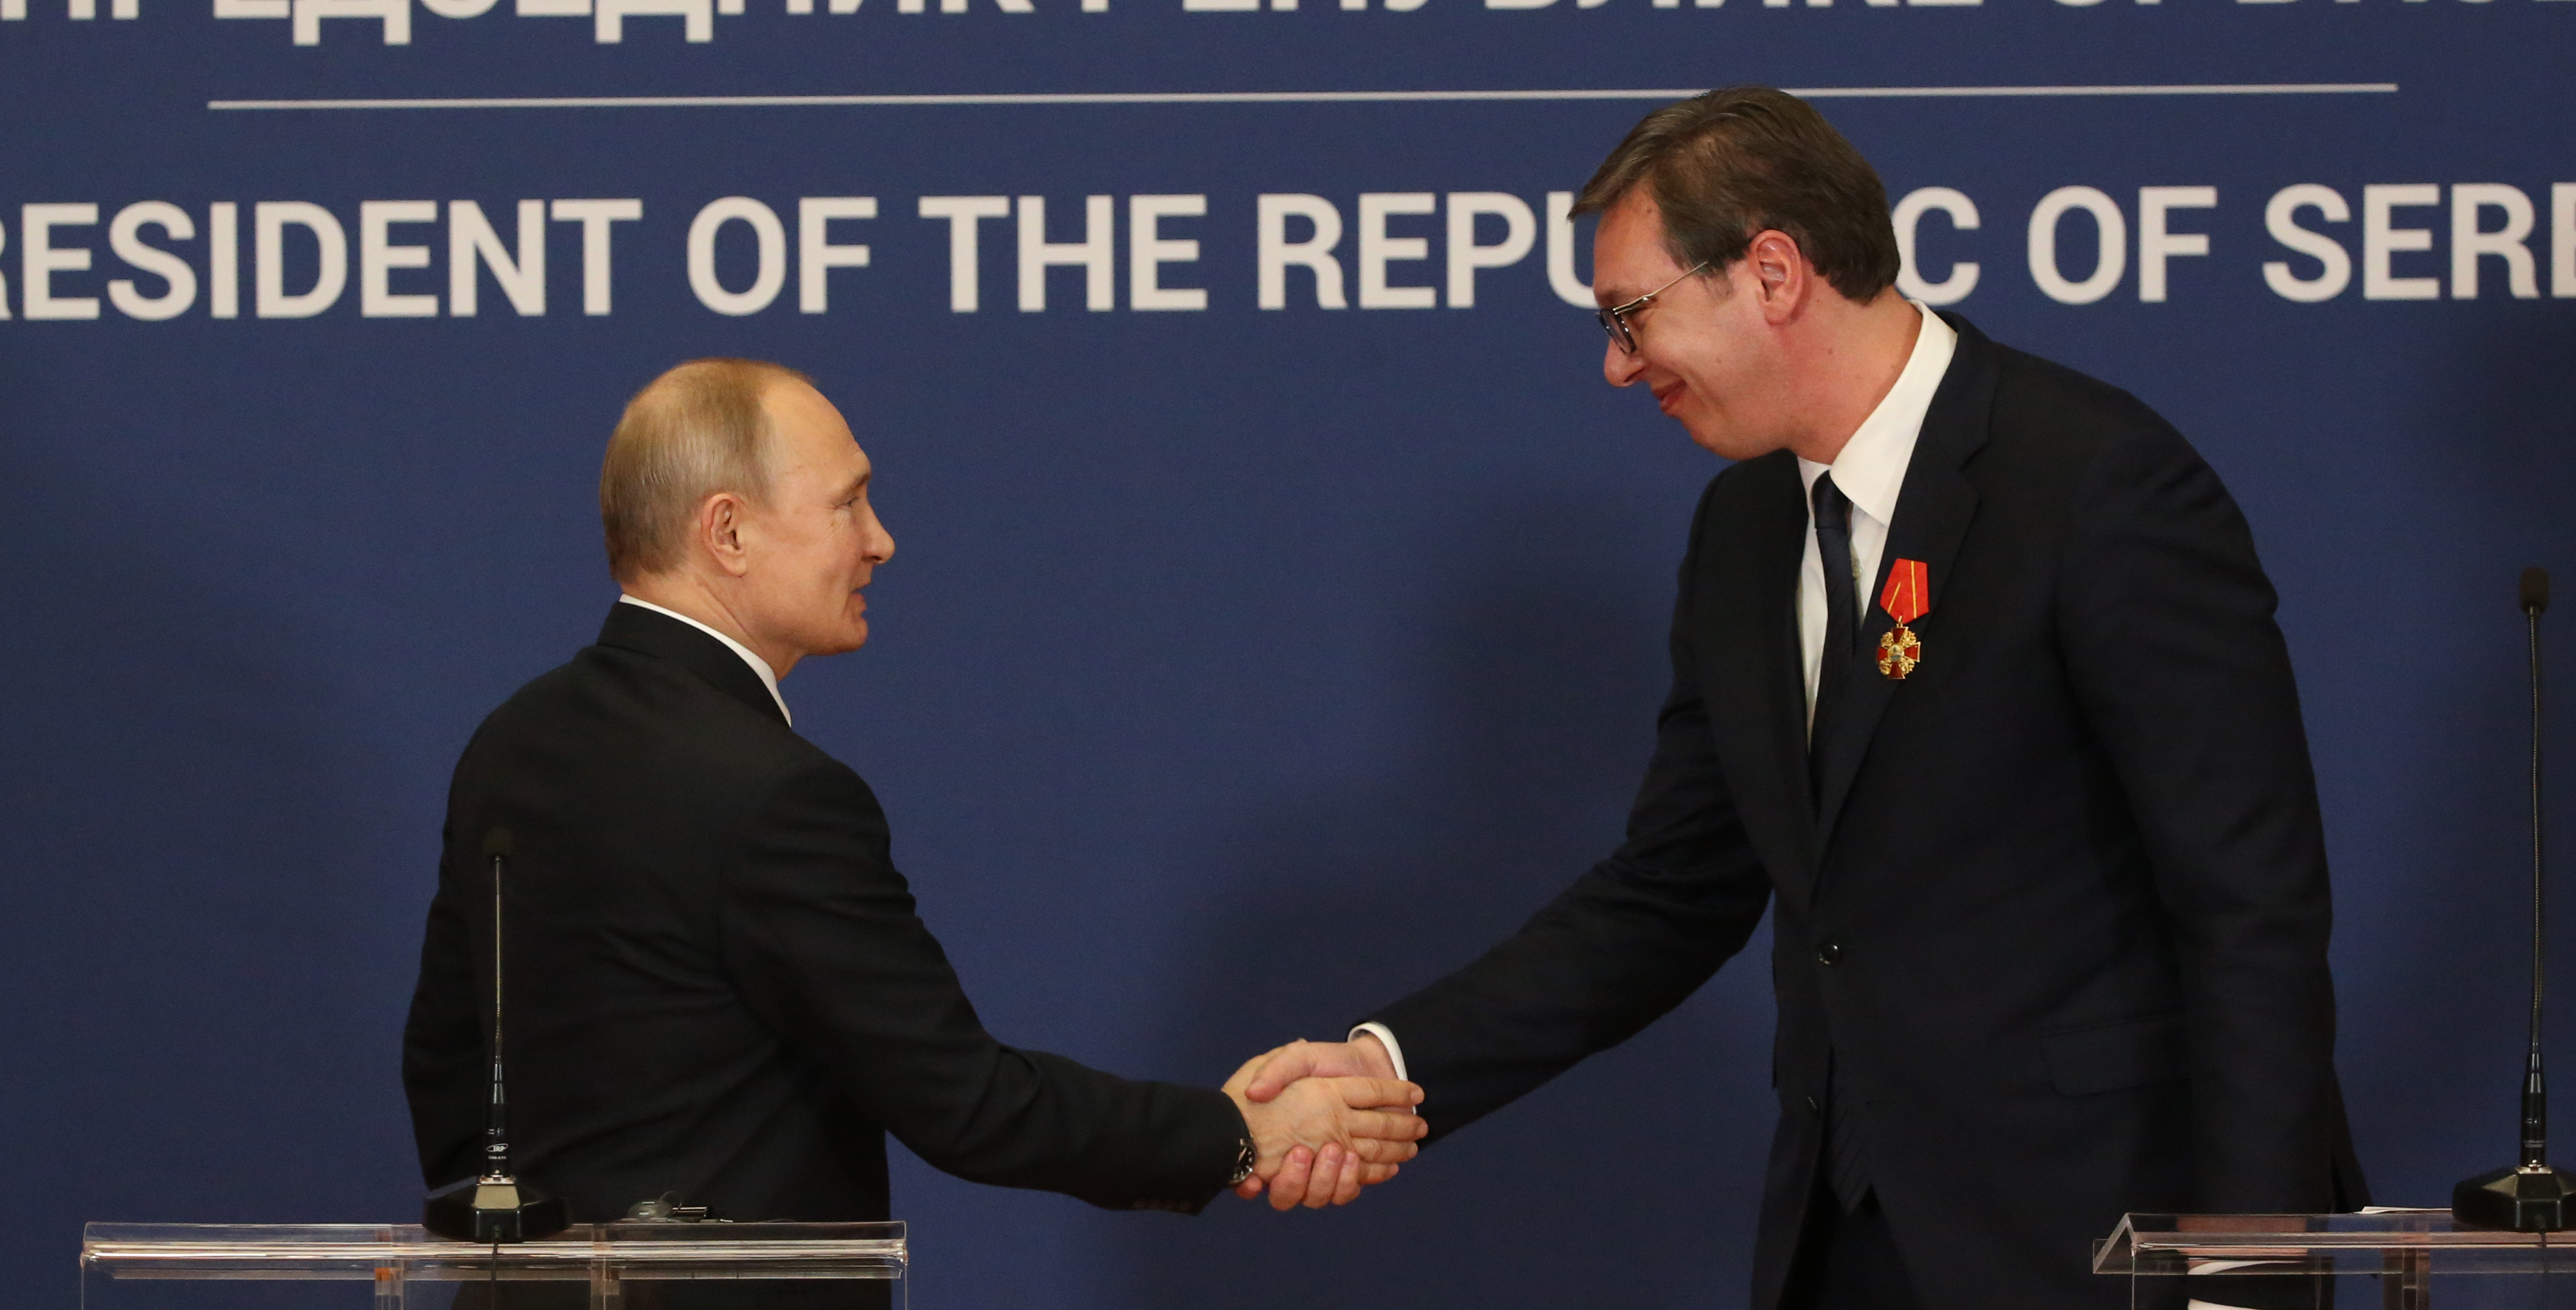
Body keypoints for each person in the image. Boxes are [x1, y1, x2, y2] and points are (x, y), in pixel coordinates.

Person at [1236, 87, 2368, 1309]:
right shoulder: (1744, 529)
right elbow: (1672, 891)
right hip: (1847, 1241)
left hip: (2096, 1241)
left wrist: (2248, 1277)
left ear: (1770, 273)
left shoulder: (2096, 484)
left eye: (1630, 315)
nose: (1617, 366)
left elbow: (2249, 909)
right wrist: (1388, 1066)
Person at [401, 359, 1425, 1247]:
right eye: (847, 504)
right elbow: (966, 1102)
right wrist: (1242, 1134)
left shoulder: (512, 742)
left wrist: (528, 1262)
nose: (880, 541)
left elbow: (450, 1067)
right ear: (728, 532)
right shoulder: (775, 795)